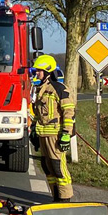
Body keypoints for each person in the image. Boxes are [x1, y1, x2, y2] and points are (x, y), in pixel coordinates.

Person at [30, 54, 75, 202]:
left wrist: (66, 134)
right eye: (36, 71)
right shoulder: (40, 89)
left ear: (48, 71)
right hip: (43, 135)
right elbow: (37, 113)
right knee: (47, 167)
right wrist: (34, 132)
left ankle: (65, 199)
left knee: (58, 168)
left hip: (56, 136)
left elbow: (68, 112)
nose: (36, 73)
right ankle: (55, 198)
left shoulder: (59, 88)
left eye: (39, 71)